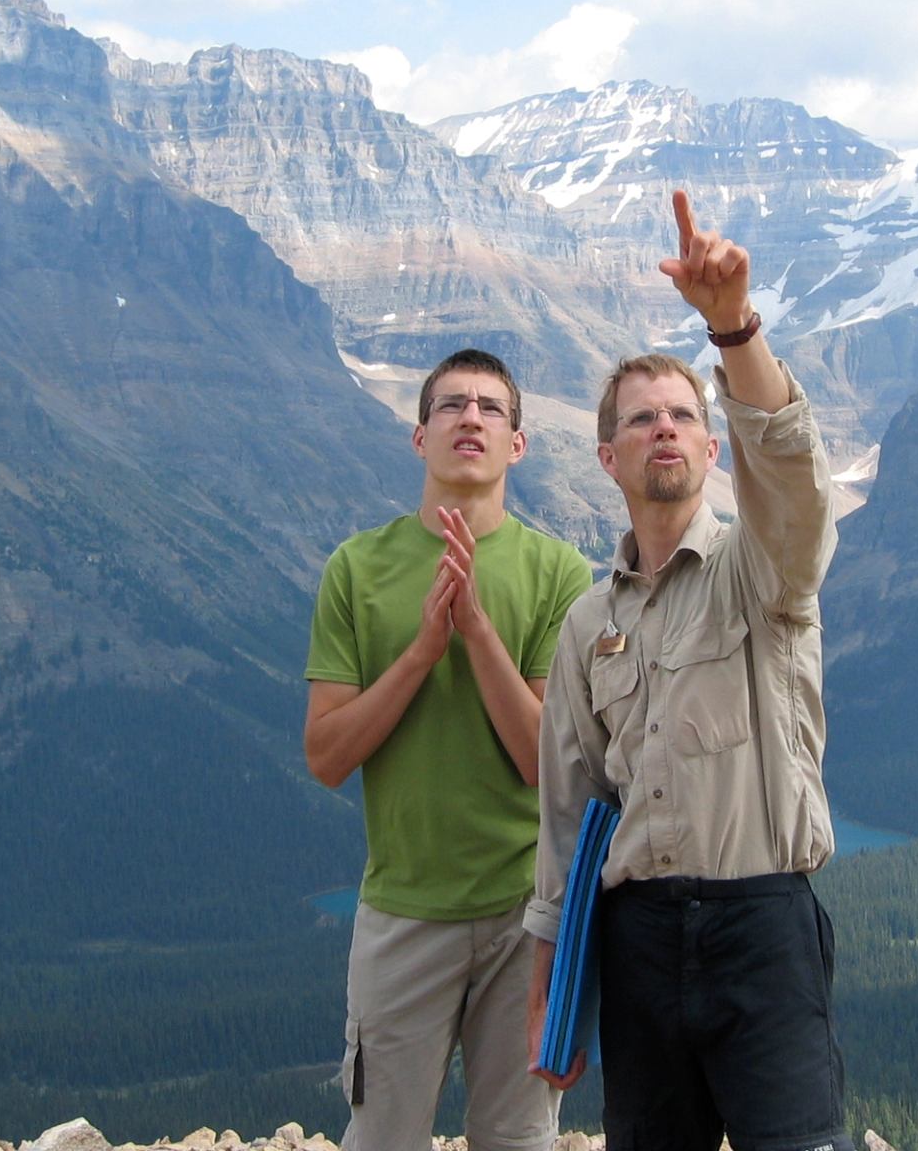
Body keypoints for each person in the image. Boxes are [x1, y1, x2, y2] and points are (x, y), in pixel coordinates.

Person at [524, 190, 854, 1151]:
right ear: (608, 456)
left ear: (713, 449)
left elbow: (794, 485)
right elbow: (570, 808)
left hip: (765, 928)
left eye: (682, 415)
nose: (663, 428)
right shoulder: (590, 623)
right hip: (638, 944)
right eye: (641, 419)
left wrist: (733, 329)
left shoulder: (764, 575)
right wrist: (554, 977)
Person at [304, 348, 592, 1151]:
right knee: (383, 1137)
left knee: (517, 1139)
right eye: (452, 406)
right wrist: (421, 653)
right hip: (402, 914)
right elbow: (326, 756)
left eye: (491, 409)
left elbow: (546, 766)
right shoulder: (357, 571)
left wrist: (474, 631)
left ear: (517, 444)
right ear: (418, 436)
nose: (471, 418)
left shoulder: (559, 574)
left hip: (526, 920)